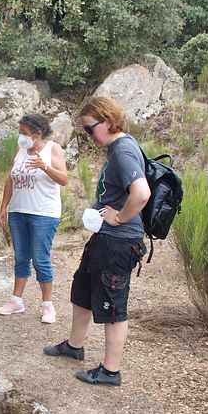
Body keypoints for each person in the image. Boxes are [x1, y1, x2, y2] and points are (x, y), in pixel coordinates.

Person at [43, 96, 149, 386]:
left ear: (109, 121)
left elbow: (141, 194)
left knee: (112, 306)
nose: (88, 136)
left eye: (90, 129)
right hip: (104, 238)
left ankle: (110, 371)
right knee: (83, 289)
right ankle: (74, 346)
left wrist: (119, 218)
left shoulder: (124, 151)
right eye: (84, 131)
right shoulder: (117, 149)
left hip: (118, 241)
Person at [0, 113, 68, 323]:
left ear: (38, 133)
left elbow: (64, 179)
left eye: (24, 133)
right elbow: (10, 180)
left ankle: (48, 305)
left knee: (40, 258)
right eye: (20, 132)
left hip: (43, 213)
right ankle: (16, 300)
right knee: (21, 256)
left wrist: (44, 166)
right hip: (19, 211)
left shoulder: (52, 149)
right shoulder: (20, 151)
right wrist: (4, 207)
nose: (21, 137)